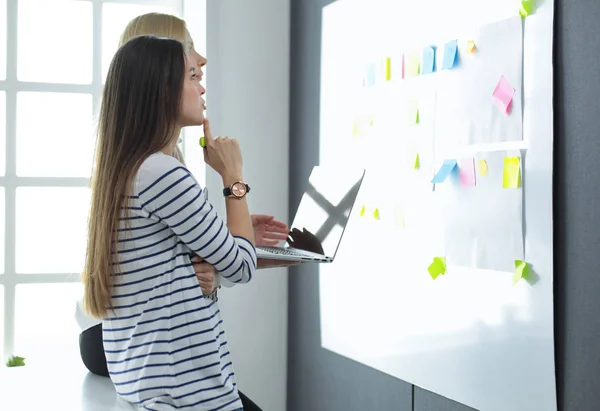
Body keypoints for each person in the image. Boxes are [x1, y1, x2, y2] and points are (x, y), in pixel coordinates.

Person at [76, 13, 294, 410]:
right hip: (189, 398)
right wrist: (233, 178)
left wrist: (233, 241)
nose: (203, 84)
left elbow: (200, 260)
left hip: (151, 389)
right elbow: (239, 267)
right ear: (162, 89)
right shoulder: (162, 172)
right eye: (193, 75)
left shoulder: (129, 166)